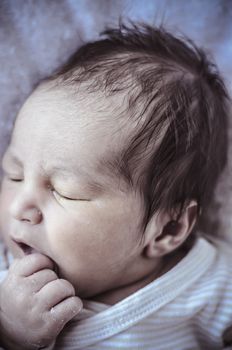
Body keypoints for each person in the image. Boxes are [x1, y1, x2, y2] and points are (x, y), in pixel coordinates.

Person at [0, 22, 231, 350]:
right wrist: (10, 332)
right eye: (14, 174)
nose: (18, 207)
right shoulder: (5, 283)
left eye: (66, 191)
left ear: (168, 229)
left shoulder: (212, 285)